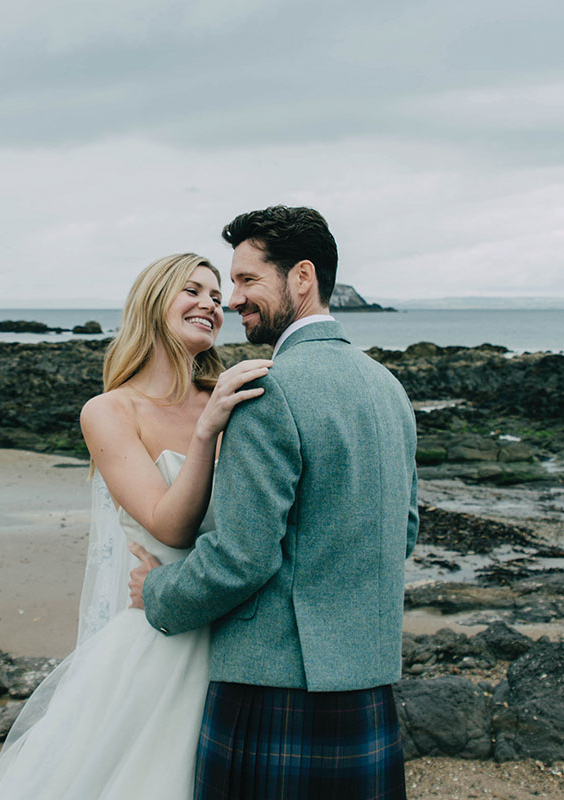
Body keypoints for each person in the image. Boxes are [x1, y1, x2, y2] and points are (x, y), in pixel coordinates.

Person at [130, 206, 420, 800]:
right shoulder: (389, 388)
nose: (233, 300)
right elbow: (404, 532)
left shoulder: (268, 389)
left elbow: (242, 557)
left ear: (302, 278)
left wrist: (158, 592)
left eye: (246, 280)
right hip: (366, 683)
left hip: (272, 687)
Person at [0, 252, 271, 800]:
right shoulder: (110, 412)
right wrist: (207, 432)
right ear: (153, 302)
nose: (210, 303)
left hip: (239, 626)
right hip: (161, 635)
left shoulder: (231, 398)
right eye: (193, 291)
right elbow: (170, 526)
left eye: (215, 295)